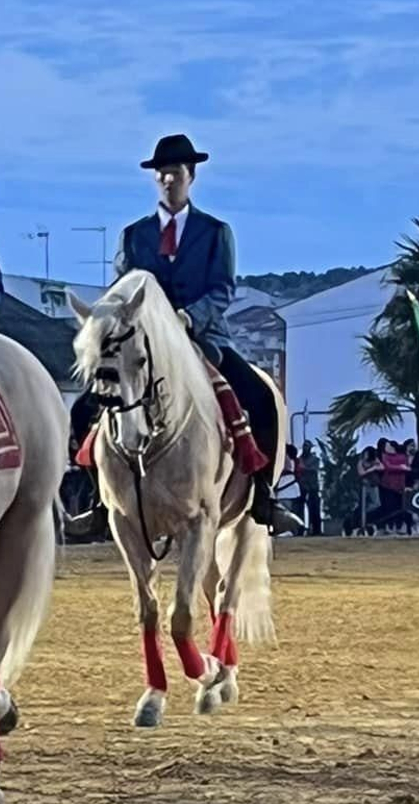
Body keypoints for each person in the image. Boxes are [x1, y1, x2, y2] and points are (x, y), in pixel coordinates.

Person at [71, 134, 276, 525]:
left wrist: (189, 318)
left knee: (257, 396)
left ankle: (263, 494)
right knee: (86, 408)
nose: (168, 180)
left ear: (191, 176)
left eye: (175, 172)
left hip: (202, 339)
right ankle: (101, 499)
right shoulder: (133, 236)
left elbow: (222, 289)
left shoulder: (215, 232)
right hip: (141, 343)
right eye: (162, 173)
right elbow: (121, 289)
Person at [298, 436, 323, 537]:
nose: (305, 448)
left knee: (315, 509)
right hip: (302, 487)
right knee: (299, 509)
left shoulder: (315, 459)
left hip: (313, 487)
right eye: (304, 446)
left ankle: (317, 530)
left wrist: (304, 468)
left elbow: (314, 469)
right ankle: (300, 529)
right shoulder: (299, 459)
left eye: (307, 446)